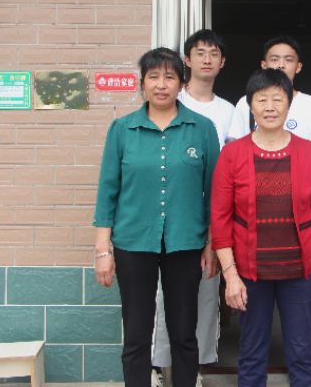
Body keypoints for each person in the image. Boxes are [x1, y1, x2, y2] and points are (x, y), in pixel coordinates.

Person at [93, 47, 220, 387]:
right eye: (153, 77)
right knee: (136, 333)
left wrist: (212, 244)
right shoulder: (122, 129)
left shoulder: (202, 129)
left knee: (184, 331)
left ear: (181, 83)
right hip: (133, 242)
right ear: (142, 83)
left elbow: (215, 194)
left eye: (169, 77)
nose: (161, 85)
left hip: (186, 243)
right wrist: (103, 250)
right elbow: (108, 191)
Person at [211, 68, 311, 387]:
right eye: (261, 99)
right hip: (250, 272)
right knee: (252, 351)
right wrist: (231, 277)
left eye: (277, 99)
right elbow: (220, 220)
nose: (270, 107)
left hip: (301, 271)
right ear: (250, 105)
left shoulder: (309, 153)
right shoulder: (232, 154)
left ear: (289, 104)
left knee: (301, 350)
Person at [150, 30, 235, 387]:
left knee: (204, 295)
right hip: (167, 216)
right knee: (162, 297)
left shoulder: (229, 111)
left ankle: (192, 367)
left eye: (214, 53)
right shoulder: (172, 100)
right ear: (187, 59)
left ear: (222, 62)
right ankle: (157, 365)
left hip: (210, 215)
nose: (206, 59)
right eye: (199, 52)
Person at [226, 35, 311, 141]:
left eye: (288, 60)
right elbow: (234, 144)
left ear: (298, 67)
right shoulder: (246, 102)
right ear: (264, 65)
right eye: (274, 59)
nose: (281, 65)